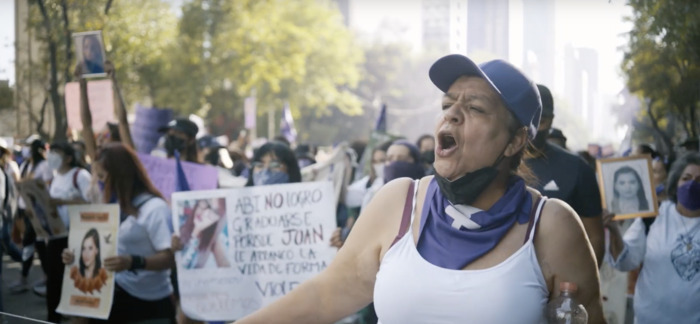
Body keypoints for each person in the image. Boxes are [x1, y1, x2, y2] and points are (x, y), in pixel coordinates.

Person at [235, 54, 604, 323]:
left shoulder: (551, 226)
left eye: (475, 107)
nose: (452, 113)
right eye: (447, 103)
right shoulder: (398, 202)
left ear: (515, 141)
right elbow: (325, 295)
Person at [62, 142, 176, 323]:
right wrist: (74, 256)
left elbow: (170, 258)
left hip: (148, 305)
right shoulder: (108, 207)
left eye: (102, 177)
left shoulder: (155, 209)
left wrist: (134, 262)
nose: (97, 183)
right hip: (113, 299)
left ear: (120, 176)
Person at [605, 152, 700, 323]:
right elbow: (626, 261)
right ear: (676, 182)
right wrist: (614, 231)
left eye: (699, 180)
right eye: (686, 178)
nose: (693, 184)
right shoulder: (654, 217)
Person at [525, 84, 605, 267]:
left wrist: (583, 291)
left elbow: (594, 238)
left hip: (557, 282)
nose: (531, 127)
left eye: (540, 120)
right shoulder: (495, 162)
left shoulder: (577, 169)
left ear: (548, 121)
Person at [45, 141, 92, 322]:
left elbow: (91, 204)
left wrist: (63, 202)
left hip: (76, 235)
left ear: (69, 158)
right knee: (54, 279)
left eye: (57, 152)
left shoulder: (80, 176)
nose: (52, 156)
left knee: (73, 278)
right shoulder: (56, 177)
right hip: (56, 234)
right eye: (51, 152)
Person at [10, 136, 52, 295]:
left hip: (38, 212)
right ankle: (44, 275)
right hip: (26, 209)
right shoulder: (28, 164)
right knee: (38, 246)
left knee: (30, 243)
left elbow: (45, 187)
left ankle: (25, 276)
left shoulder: (44, 166)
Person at [179, 199, 230, 269]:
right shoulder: (182, 229)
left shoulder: (216, 241)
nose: (201, 213)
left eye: (208, 210)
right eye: (200, 207)